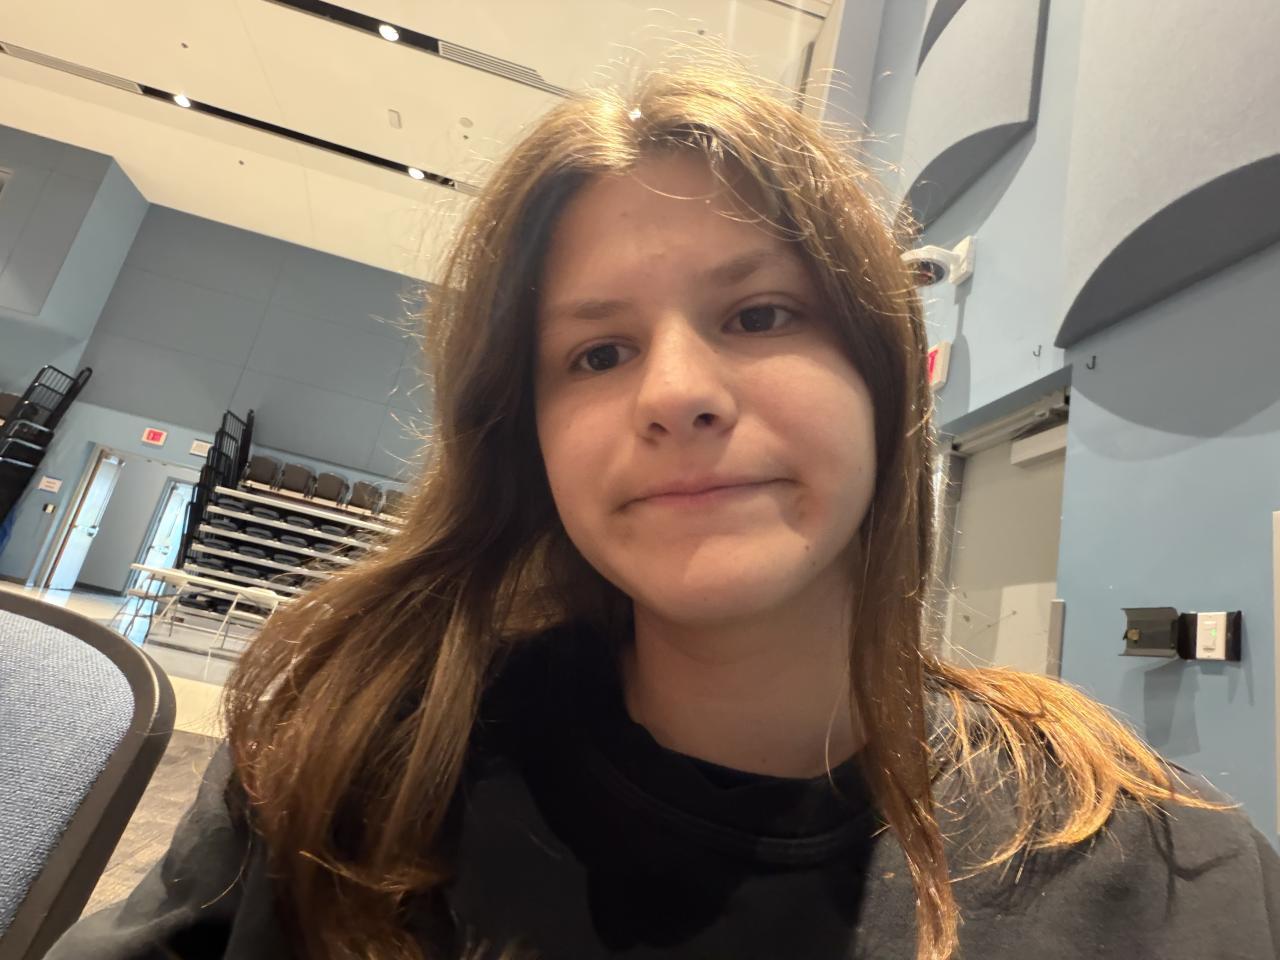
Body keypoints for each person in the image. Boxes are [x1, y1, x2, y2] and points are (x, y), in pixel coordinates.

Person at [48, 58, 1279, 960]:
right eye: (596, 353)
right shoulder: (351, 753)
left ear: (883, 379)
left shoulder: (1165, 872)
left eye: (758, 314)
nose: (676, 394)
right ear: (525, 437)